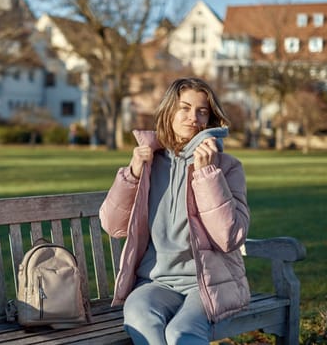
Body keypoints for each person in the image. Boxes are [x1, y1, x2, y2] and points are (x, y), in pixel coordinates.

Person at [99, 77, 251, 345]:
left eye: (202, 111)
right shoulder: (147, 163)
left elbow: (230, 237)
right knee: (140, 317)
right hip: (154, 283)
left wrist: (207, 174)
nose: (193, 117)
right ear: (169, 111)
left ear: (210, 118)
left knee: (180, 334)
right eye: (185, 108)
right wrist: (132, 173)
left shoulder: (227, 167)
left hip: (206, 285)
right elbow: (113, 226)